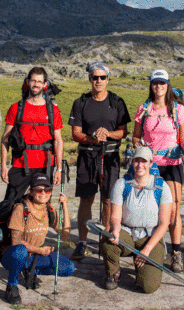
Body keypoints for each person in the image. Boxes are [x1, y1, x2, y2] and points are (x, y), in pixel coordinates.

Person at [0, 67, 64, 267]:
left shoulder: (52, 110)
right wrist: (3, 165)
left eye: (39, 81)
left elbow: (58, 141)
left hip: (45, 167)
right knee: (4, 211)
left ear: (45, 84)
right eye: (33, 80)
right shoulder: (16, 108)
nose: (36, 84)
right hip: (20, 165)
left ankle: (32, 251)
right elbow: (5, 139)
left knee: (40, 210)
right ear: (27, 82)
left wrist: (60, 169)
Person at [132, 69, 184, 273]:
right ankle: (148, 247)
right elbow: (135, 136)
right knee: (147, 206)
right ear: (151, 85)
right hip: (149, 165)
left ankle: (176, 254)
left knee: (174, 209)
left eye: (162, 83)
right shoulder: (143, 109)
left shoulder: (178, 110)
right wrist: (139, 146)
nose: (158, 87)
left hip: (172, 164)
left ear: (167, 85)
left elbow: (183, 139)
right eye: (155, 83)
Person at [68, 61, 131, 260]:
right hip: (87, 156)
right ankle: (82, 242)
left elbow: (124, 131)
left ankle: (105, 240)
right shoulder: (81, 102)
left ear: (108, 79)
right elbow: (76, 133)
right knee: (86, 199)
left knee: (108, 199)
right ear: (89, 79)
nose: (98, 81)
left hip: (110, 155)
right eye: (95, 77)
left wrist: (108, 134)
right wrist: (93, 138)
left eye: (102, 77)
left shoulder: (117, 101)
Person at [101, 147, 173, 293]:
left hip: (149, 237)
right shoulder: (122, 184)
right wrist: (115, 229)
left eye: (144, 161)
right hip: (127, 232)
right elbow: (115, 216)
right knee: (108, 238)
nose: (140, 165)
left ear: (151, 163)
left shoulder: (162, 187)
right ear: (132, 162)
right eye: (136, 161)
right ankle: (113, 273)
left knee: (148, 287)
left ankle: (142, 265)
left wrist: (146, 249)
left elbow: (164, 224)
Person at [2, 173, 74, 304]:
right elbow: (16, 242)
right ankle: (12, 286)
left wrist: (65, 207)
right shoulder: (21, 209)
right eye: (38, 190)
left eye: (47, 190)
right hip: (12, 255)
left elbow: (65, 235)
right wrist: (40, 250)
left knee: (68, 267)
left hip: (33, 256)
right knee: (20, 251)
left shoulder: (49, 210)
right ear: (31, 192)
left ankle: (30, 270)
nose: (43, 193)